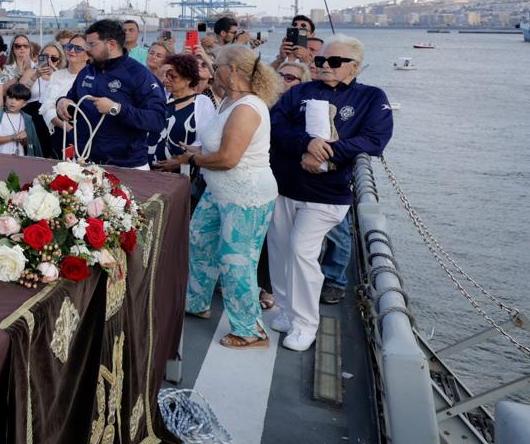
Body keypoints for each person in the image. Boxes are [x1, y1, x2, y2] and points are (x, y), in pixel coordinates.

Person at [266, 36, 394, 352]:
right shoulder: (299, 92)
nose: (325, 66)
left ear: (355, 66)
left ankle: (305, 324)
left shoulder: (371, 97)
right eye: (321, 60)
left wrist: (327, 152)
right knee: (280, 250)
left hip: (327, 193)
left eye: (334, 62)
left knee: (301, 250)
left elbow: (375, 139)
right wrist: (306, 144)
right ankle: (286, 308)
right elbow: (276, 125)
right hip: (284, 186)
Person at [174, 46, 283, 348]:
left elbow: (228, 158)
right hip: (220, 190)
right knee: (199, 239)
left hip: (246, 195)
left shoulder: (247, 108)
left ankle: (250, 330)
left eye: (216, 65)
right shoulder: (227, 101)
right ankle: (196, 302)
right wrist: (198, 151)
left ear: (232, 69)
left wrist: (192, 159)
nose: (212, 71)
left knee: (237, 261)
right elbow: (218, 147)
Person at [55, 19, 168, 169]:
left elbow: (157, 120)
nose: (87, 49)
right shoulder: (87, 71)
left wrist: (116, 109)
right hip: (85, 161)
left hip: (127, 166)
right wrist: (62, 102)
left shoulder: (139, 75)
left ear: (111, 45)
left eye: (92, 44)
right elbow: (72, 100)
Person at [149, 53, 216, 175]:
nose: (167, 80)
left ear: (188, 79)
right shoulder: (160, 96)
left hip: (182, 171)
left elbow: (204, 140)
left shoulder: (202, 102)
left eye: (173, 77)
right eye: (166, 76)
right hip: (148, 168)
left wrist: (181, 161)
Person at [41, 34, 88, 136]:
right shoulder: (56, 75)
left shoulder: (92, 77)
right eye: (69, 46)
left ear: (88, 55)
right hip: (58, 132)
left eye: (78, 49)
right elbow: (46, 107)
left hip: (84, 132)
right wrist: (67, 128)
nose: (72, 50)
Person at [0, 81, 42, 156]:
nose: (12, 102)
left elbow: (28, 145)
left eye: (17, 99)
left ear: (24, 104)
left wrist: (25, 139)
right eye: (10, 97)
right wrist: (12, 137)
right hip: (0, 156)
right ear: (6, 98)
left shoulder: (27, 119)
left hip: (19, 158)